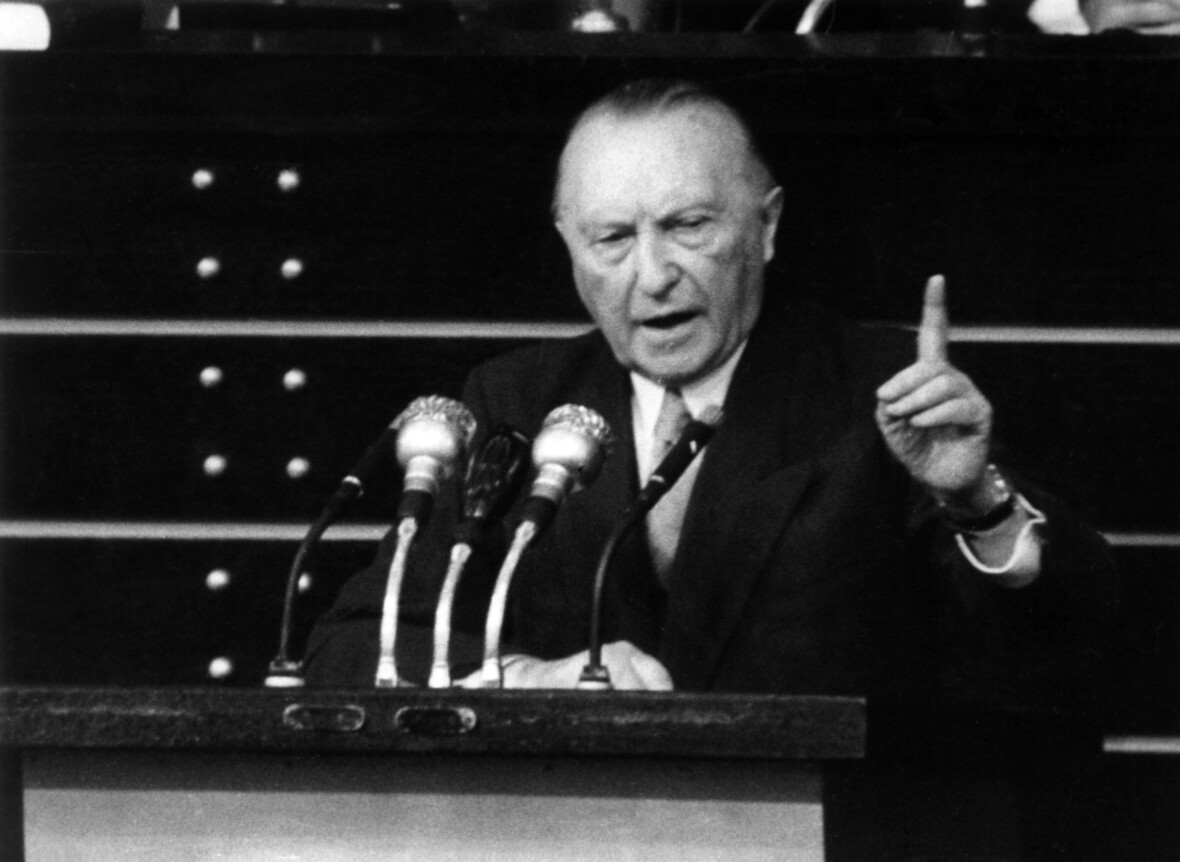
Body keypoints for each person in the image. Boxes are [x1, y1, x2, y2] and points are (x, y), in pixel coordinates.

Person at [305, 79, 1116, 714]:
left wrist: (978, 502)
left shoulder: (885, 392)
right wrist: (525, 679)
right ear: (568, 248)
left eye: (688, 226)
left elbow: (1075, 643)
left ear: (764, 228)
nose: (652, 276)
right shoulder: (514, 401)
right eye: (613, 239)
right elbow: (352, 648)